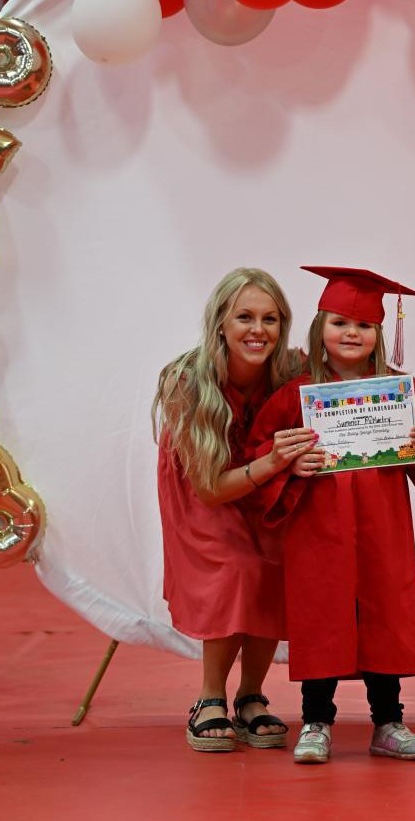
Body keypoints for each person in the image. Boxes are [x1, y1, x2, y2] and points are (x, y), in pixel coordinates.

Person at [247, 266, 415, 764]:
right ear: (320, 327)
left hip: (382, 526)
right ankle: (316, 721)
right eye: (341, 322)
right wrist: (287, 459)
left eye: (363, 326)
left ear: (379, 334)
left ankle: (389, 723)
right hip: (317, 530)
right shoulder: (295, 394)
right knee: (322, 615)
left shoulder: (399, 390)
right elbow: (262, 449)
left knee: (383, 613)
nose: (351, 333)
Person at [152, 268, 316, 753]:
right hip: (208, 493)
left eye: (269, 318)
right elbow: (208, 489)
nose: (257, 330)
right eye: (244, 316)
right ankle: (208, 698)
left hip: (263, 486)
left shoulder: (290, 371)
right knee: (237, 567)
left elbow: (349, 383)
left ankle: (250, 696)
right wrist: (272, 461)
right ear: (220, 322)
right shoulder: (188, 382)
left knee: (275, 562)